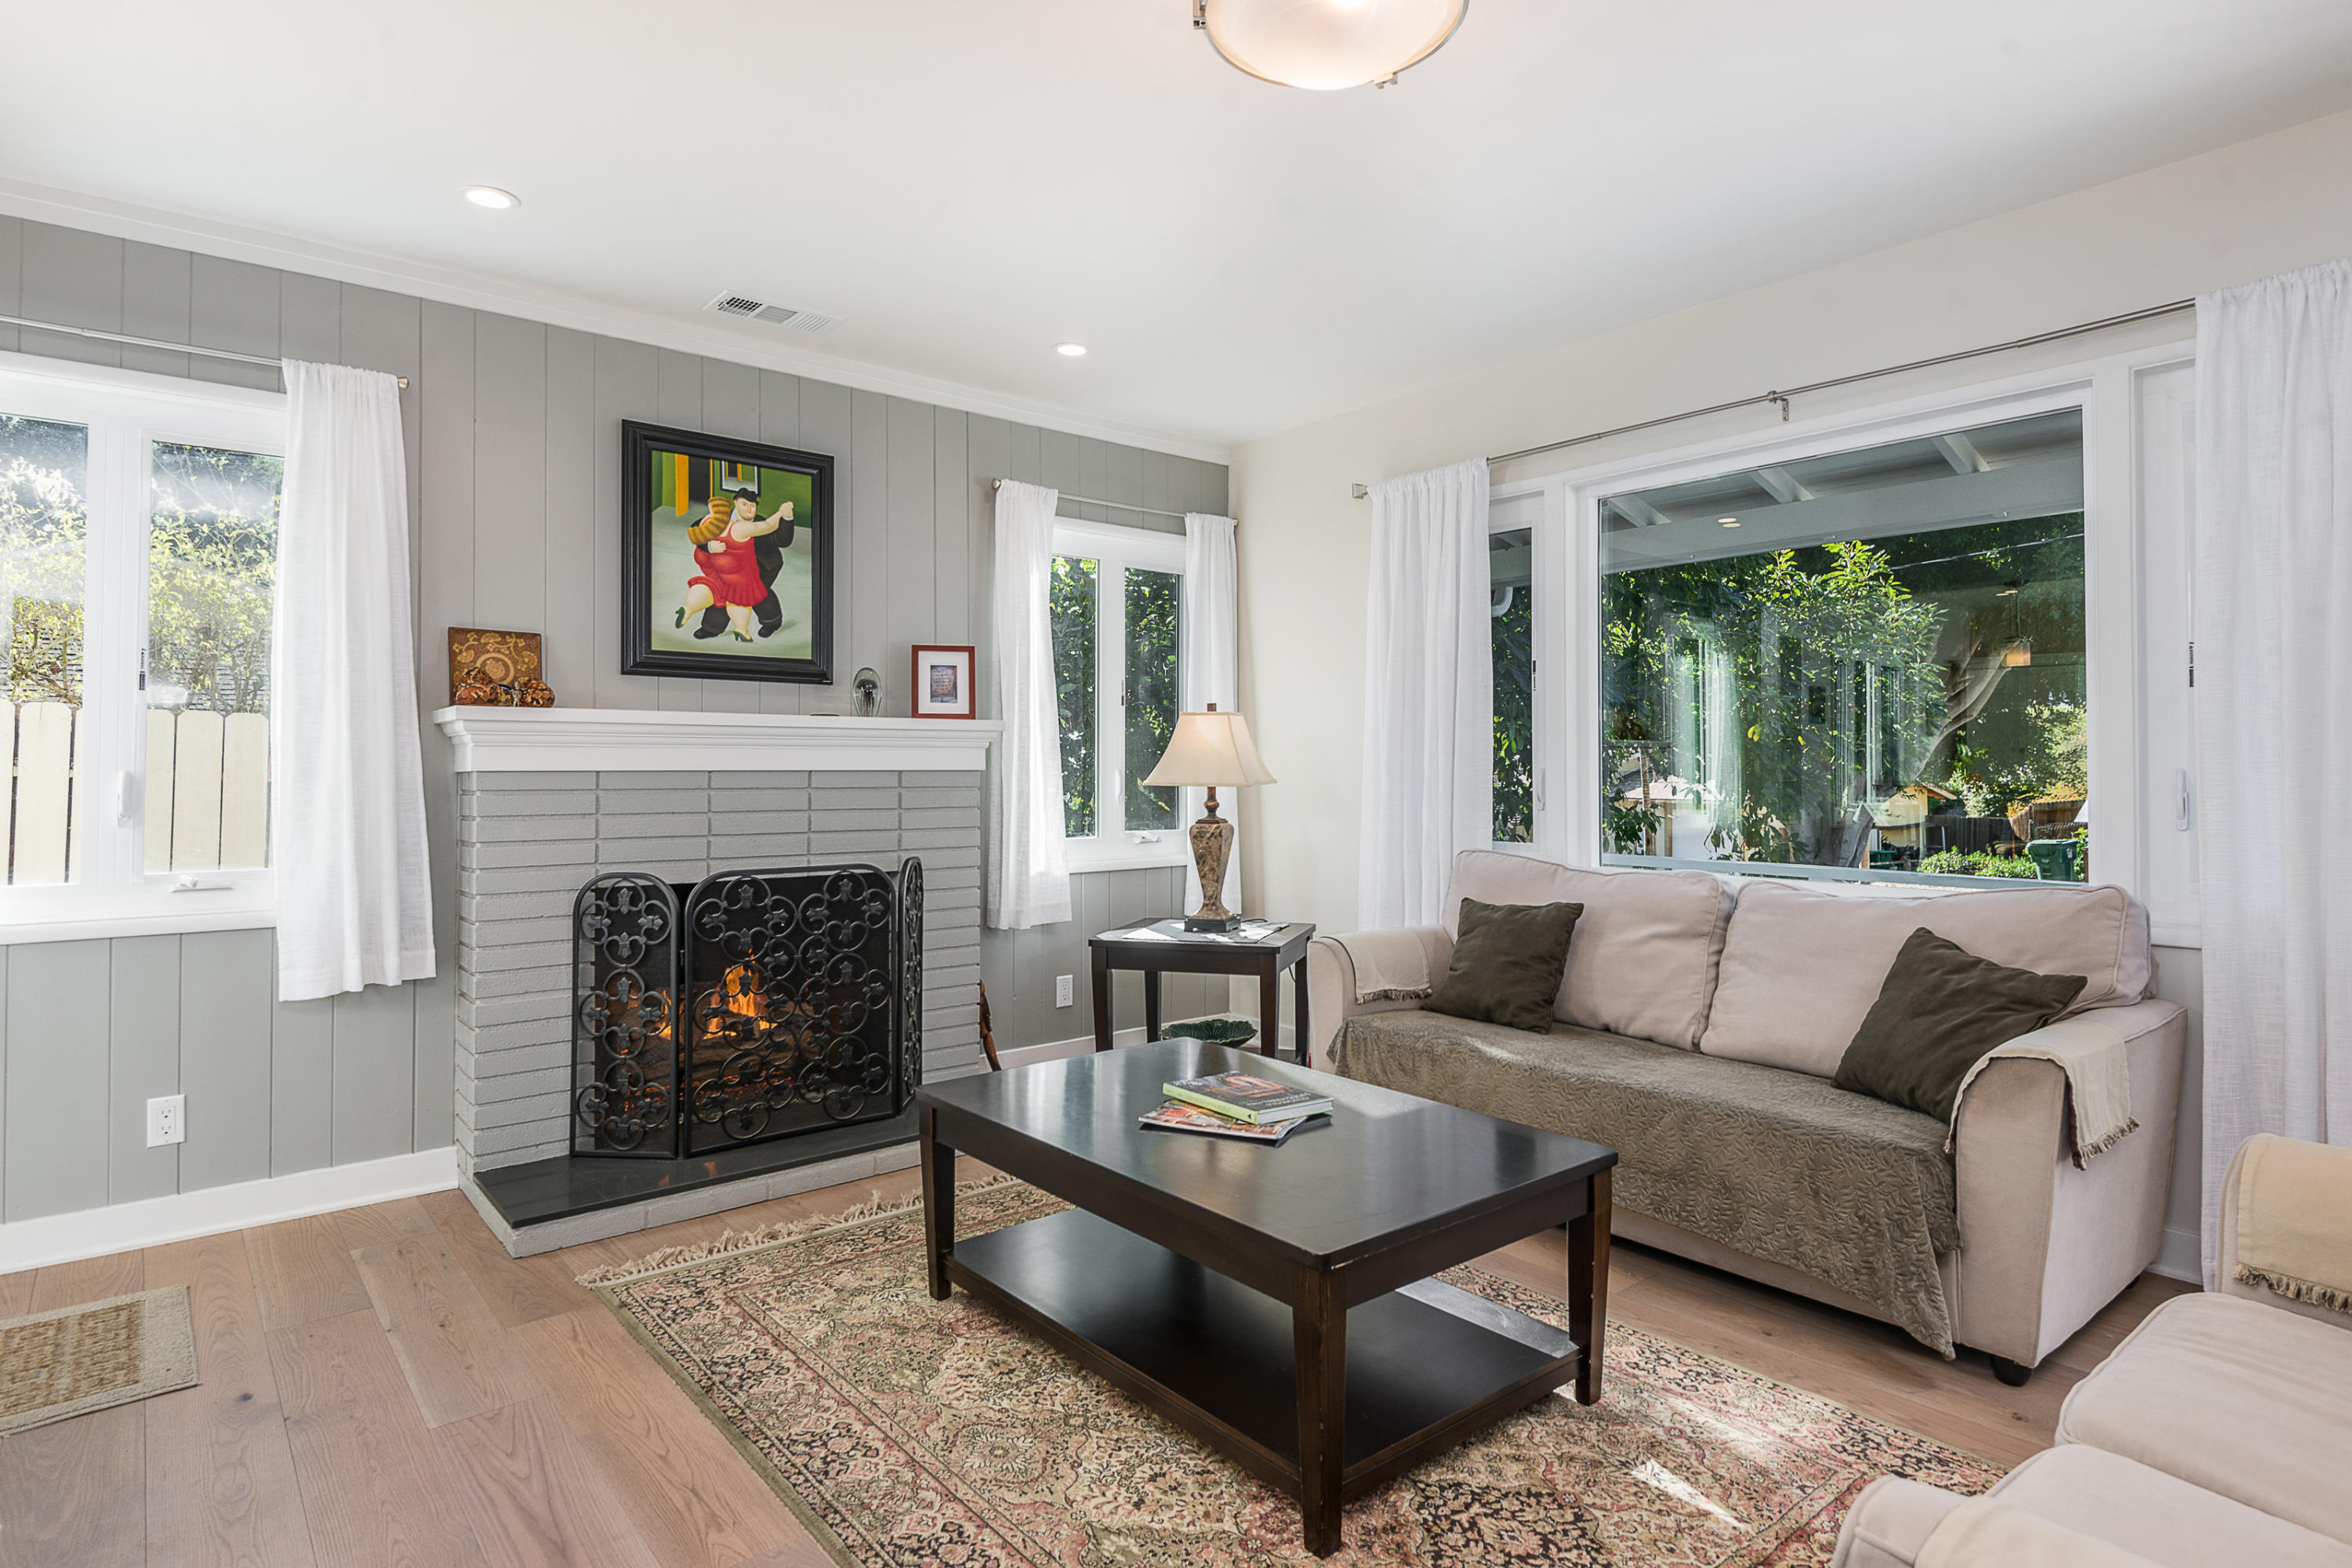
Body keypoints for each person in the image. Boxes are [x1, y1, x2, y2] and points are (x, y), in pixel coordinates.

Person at [676, 491, 793, 641]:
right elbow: (696, 531)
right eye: (745, 504)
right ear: (735, 503)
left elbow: (783, 541)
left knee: (757, 593)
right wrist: (709, 546)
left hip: (763, 564)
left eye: (753, 505)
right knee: (720, 594)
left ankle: (772, 622)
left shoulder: (759, 522)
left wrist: (787, 516)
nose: (750, 509)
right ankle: (712, 628)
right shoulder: (718, 519)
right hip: (728, 568)